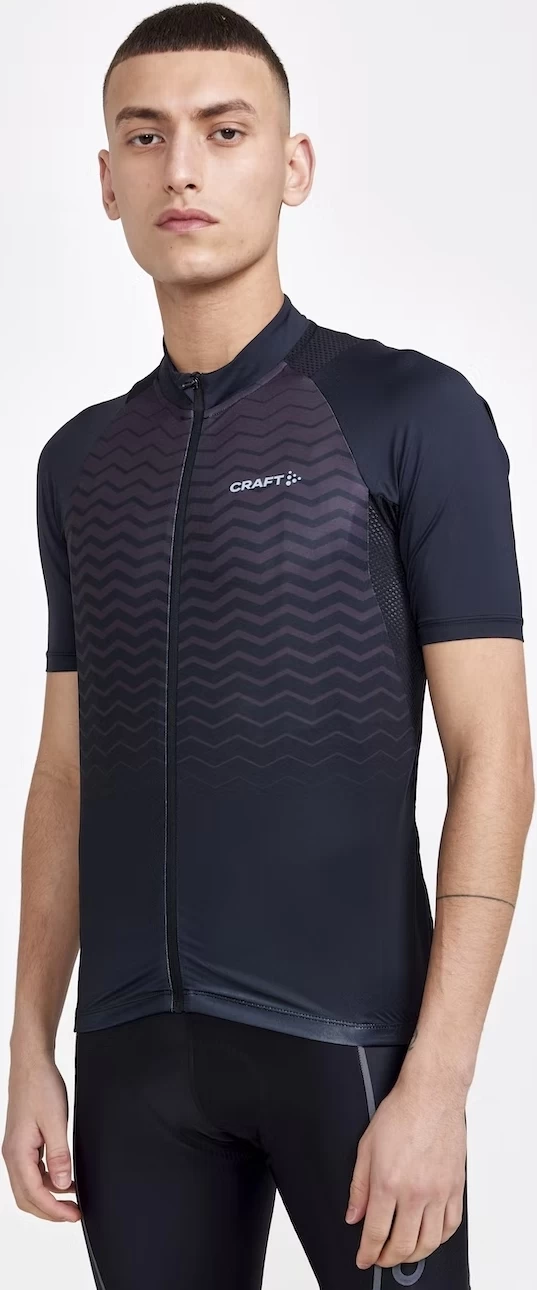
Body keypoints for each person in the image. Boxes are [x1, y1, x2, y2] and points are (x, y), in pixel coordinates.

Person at [2, 4, 533, 1288]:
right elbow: (67, 770)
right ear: (108, 181)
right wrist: (29, 1044)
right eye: (145, 136)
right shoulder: (80, 464)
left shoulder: (411, 416)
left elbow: (495, 759)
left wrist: (439, 1082)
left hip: (353, 1047)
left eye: (224, 131)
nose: (181, 166)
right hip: (133, 1061)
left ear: (292, 165)